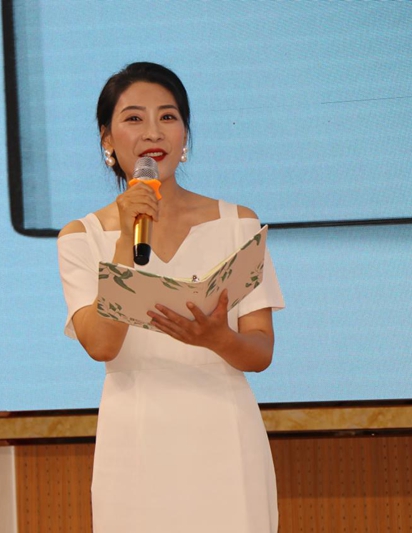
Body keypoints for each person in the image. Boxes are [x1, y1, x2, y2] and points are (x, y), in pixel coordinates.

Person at [57, 62, 285, 533]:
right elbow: (102, 345)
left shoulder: (237, 223)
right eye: (133, 118)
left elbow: (261, 350)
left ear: (185, 135)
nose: (153, 132)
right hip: (136, 445)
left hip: (226, 439)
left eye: (168, 116)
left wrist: (218, 338)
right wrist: (126, 238)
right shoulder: (82, 237)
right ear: (107, 139)